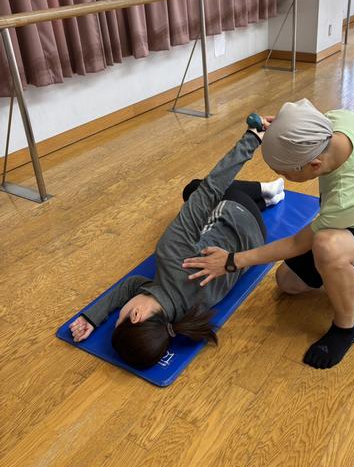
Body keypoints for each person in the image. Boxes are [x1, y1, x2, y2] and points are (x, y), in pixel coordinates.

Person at [183, 98, 354, 370]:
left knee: (327, 246)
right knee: (287, 282)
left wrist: (232, 260)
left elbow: (297, 243)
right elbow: (304, 121)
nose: (281, 175)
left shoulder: (351, 196)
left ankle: (345, 328)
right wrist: (283, 128)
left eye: (284, 173)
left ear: (314, 165)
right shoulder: (337, 122)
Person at [69, 119, 284, 369]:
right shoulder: (171, 254)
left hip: (257, 236)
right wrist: (251, 138)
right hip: (236, 212)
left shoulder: (183, 317)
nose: (120, 312)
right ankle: (264, 190)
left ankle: (267, 198)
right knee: (195, 188)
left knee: (195, 196)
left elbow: (132, 286)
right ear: (136, 316)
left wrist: (92, 318)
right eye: (119, 318)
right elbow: (211, 189)